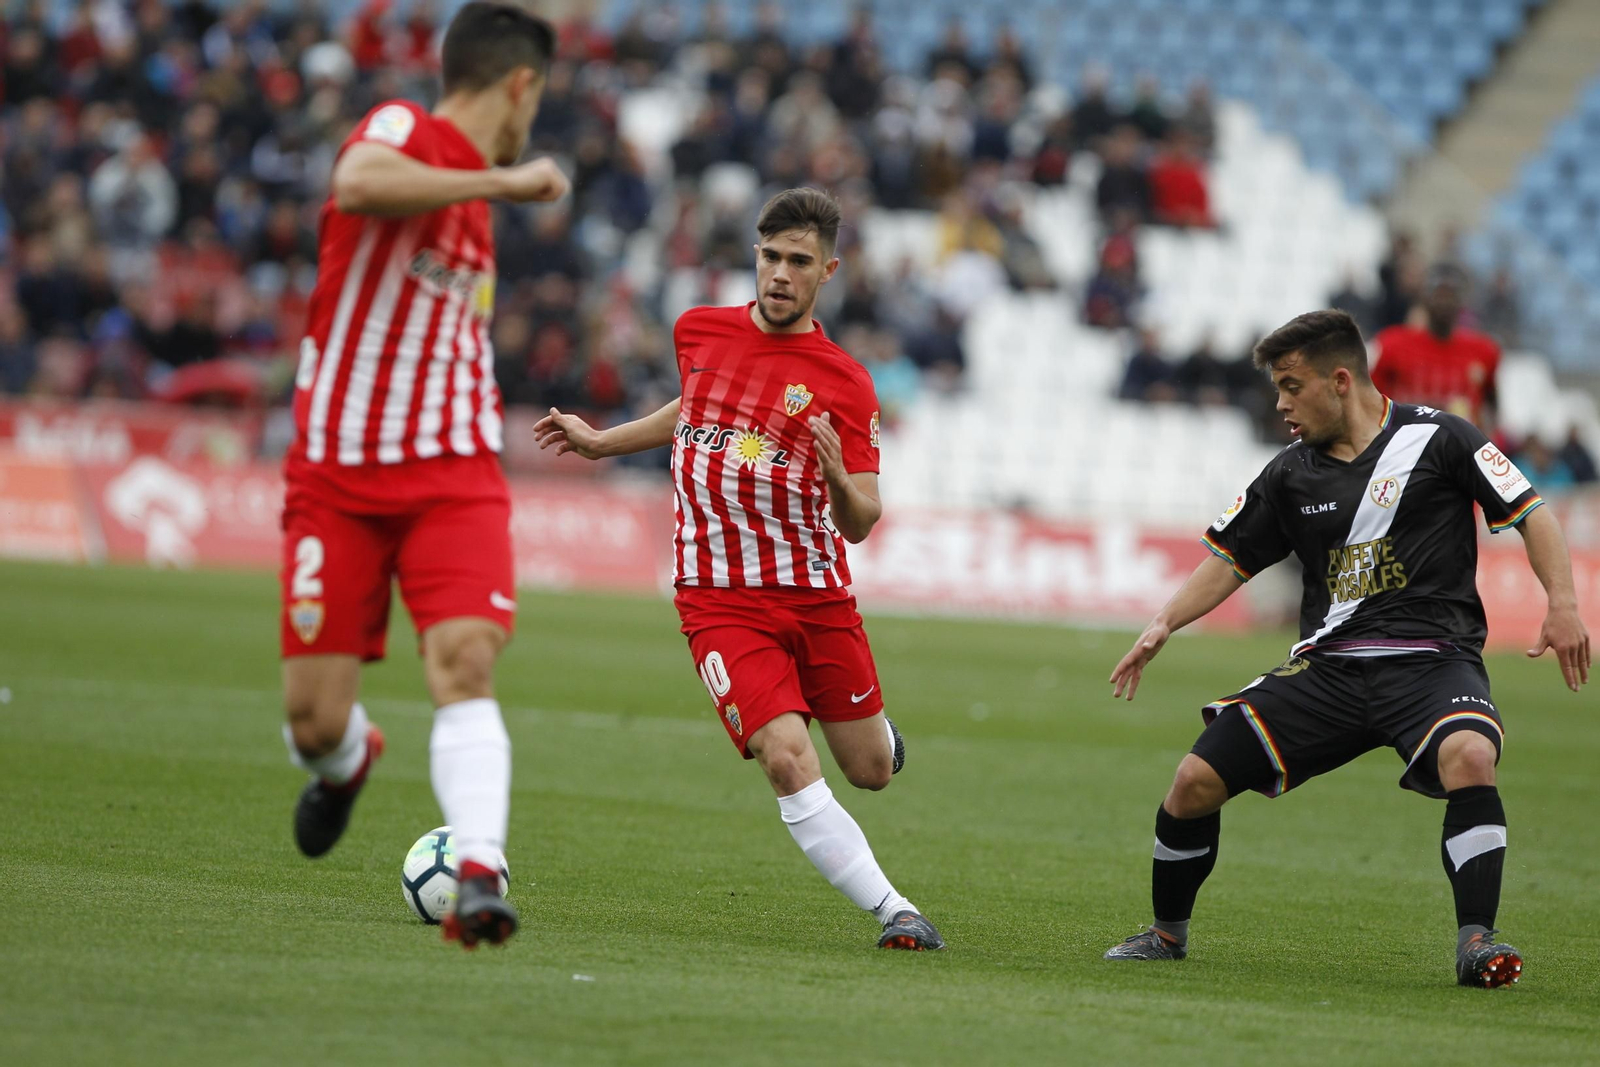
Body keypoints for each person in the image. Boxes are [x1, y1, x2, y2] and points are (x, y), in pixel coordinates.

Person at [1102, 309, 1589, 988]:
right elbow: (1230, 558)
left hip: (1431, 659)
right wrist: (1164, 621)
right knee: (1192, 782)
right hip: (1328, 668)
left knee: (1472, 754)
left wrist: (1562, 604)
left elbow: (1532, 511)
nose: (1280, 404)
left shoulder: (1442, 437)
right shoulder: (1288, 474)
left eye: (1291, 386)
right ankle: (1164, 933)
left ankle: (1477, 940)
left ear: (1339, 380)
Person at [534, 188, 945, 951]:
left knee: (871, 771)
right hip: (718, 599)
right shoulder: (697, 330)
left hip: (816, 594)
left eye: (799, 261)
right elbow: (693, 407)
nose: (780, 274)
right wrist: (601, 442)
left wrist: (835, 479)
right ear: (753, 257)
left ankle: (881, 736)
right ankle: (896, 909)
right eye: (769, 257)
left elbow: (863, 520)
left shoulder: (846, 382)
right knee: (787, 758)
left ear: (829, 271)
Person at [279, 2, 570, 950]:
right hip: (339, 476)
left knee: (466, 661)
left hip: (450, 472)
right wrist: (500, 179)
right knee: (313, 721)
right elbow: (357, 180)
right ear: (520, 86)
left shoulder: (472, 212)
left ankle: (480, 868)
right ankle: (350, 758)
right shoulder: (410, 130)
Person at [1372, 264, 1500, 428]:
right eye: (1439, 294)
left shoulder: (1484, 351)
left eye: (1450, 295)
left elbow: (1491, 404)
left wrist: (1484, 438)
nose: (1444, 302)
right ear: (1425, 298)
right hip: (1405, 445)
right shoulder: (1392, 344)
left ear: (1461, 301)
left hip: (1459, 448)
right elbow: (1372, 399)